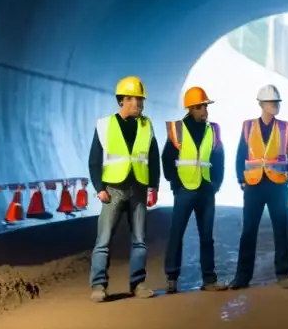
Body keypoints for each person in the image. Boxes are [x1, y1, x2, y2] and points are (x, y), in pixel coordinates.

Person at [88, 75, 160, 302]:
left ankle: (138, 284)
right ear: (123, 100)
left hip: (138, 188)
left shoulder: (147, 125)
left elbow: (154, 158)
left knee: (139, 240)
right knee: (104, 241)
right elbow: (94, 159)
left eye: (141, 100)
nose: (139, 104)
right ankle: (99, 286)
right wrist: (99, 187)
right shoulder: (105, 125)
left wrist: (154, 186)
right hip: (113, 189)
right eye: (135, 100)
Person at [229, 84, 288, 290]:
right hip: (254, 185)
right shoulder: (248, 126)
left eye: (277, 102)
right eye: (271, 102)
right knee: (249, 231)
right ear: (261, 104)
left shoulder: (285, 127)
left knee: (281, 230)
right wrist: (241, 179)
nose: (275, 105)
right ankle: (242, 277)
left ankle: (283, 274)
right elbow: (241, 155)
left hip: (278, 185)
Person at [161, 86, 228, 293]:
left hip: (206, 190)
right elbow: (167, 158)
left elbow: (219, 159)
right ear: (190, 109)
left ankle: (209, 280)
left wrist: (215, 184)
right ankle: (172, 278)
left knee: (207, 236)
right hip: (184, 190)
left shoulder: (213, 130)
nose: (204, 111)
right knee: (176, 234)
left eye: (205, 107)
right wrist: (175, 184)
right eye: (200, 107)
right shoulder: (178, 130)